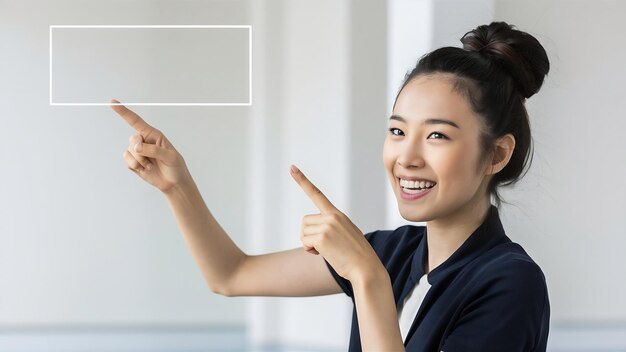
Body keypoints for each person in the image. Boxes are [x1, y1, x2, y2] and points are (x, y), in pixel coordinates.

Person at [112, 21, 550, 352]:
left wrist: (367, 278)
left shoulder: (511, 283)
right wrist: (177, 185)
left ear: (496, 154)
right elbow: (231, 274)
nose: (407, 157)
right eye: (397, 132)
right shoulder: (393, 253)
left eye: (437, 135)